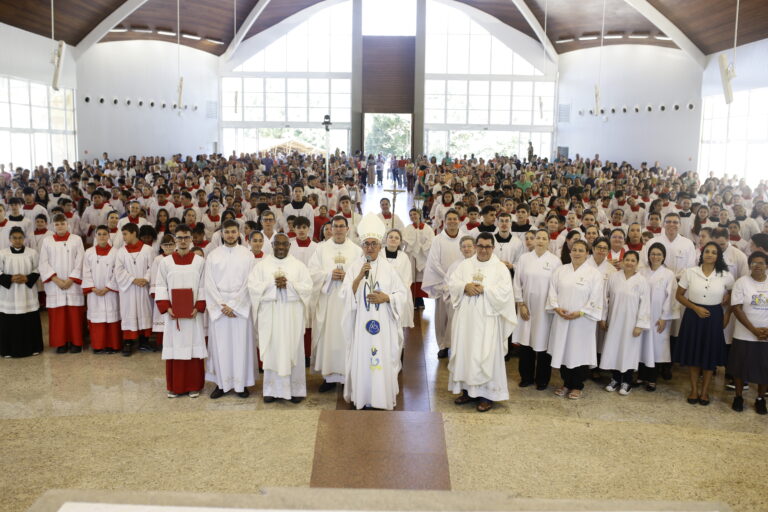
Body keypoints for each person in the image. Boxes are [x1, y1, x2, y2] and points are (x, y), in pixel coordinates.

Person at [341, 213, 407, 410]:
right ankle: (362, 396)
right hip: (361, 323)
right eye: (366, 244)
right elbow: (345, 295)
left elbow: (402, 294)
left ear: (380, 246)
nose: (370, 247)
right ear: (362, 246)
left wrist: (386, 298)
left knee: (382, 358)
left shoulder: (389, 269)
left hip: (383, 322)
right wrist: (359, 276)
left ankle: (381, 398)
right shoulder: (355, 267)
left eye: (374, 244)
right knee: (363, 357)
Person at [448, 232, 517, 412]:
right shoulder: (466, 264)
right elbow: (452, 282)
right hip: (466, 319)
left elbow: (505, 292)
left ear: (493, 248)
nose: (483, 250)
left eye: (487, 246)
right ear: (476, 246)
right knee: (466, 351)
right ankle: (466, 390)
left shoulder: (500, 268)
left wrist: (485, 290)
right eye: (480, 246)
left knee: (485, 355)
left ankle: (487, 394)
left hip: (488, 319)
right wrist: (465, 286)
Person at [248, 233, 313, 403]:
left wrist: (290, 285)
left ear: (289, 246)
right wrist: (273, 285)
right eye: (278, 244)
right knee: (273, 350)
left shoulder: (299, 266)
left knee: (292, 349)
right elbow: (253, 288)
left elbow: (307, 289)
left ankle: (296, 390)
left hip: (292, 317)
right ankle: (271, 390)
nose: (281, 247)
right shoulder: (261, 266)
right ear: (272, 245)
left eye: (285, 244)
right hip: (271, 317)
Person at [674, 242, 734, 406]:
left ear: (718, 256)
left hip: (714, 316)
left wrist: (727, 298)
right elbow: (679, 295)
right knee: (694, 354)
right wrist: (695, 308)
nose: (709, 254)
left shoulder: (725, 274)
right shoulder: (691, 272)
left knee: (709, 354)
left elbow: (733, 290)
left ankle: (705, 391)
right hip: (693, 315)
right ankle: (694, 390)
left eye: (714, 252)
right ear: (702, 254)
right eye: (707, 251)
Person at [308, 215, 363, 392]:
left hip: (348, 301)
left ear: (348, 229)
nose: (338, 229)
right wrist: (329, 275)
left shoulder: (356, 251)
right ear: (330, 229)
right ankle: (329, 377)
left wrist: (347, 275)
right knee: (329, 336)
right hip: (329, 300)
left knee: (347, 335)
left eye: (341, 226)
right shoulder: (321, 249)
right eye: (335, 226)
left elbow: (363, 274)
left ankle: (348, 374)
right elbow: (312, 273)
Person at [546, 239, 605, 399]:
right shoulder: (561, 270)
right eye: (575, 250)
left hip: (582, 321)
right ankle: (566, 383)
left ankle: (578, 385)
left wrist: (581, 312)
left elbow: (596, 297)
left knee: (579, 351)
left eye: (581, 250)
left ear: (587, 254)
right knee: (564, 350)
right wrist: (556, 307)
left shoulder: (594, 274)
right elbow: (552, 291)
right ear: (570, 252)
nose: (577, 253)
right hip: (562, 317)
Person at [154, 224, 208, 398]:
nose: (183, 241)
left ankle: (194, 385)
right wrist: (166, 306)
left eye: (186, 238)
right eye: (180, 238)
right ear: (175, 239)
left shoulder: (200, 262)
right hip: (173, 314)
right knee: (175, 348)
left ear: (191, 239)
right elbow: (161, 285)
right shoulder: (166, 262)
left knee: (193, 349)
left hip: (192, 314)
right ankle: (175, 386)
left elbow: (203, 285)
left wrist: (198, 306)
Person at [205, 220, 256, 399]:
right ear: (222, 234)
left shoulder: (247, 255)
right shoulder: (213, 255)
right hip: (220, 307)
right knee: (220, 347)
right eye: (227, 232)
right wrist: (221, 305)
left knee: (241, 345)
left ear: (239, 233)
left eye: (234, 232)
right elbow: (208, 283)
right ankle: (221, 383)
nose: (230, 235)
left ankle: (241, 385)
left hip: (240, 307)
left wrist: (234, 305)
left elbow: (250, 282)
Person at [514, 229, 562, 390]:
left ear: (549, 241)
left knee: (543, 344)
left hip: (545, 310)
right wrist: (521, 304)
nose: (540, 241)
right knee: (526, 342)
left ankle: (542, 379)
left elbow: (557, 287)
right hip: (526, 308)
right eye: (538, 238)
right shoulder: (524, 259)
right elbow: (517, 283)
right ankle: (526, 377)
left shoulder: (555, 261)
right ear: (533, 241)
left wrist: (552, 306)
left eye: (544, 238)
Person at [599, 251, 651, 395]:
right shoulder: (614, 277)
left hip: (631, 324)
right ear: (622, 261)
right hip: (614, 321)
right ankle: (615, 379)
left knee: (628, 351)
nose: (629, 263)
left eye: (633, 260)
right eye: (627, 259)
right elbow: (605, 298)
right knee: (614, 349)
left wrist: (640, 325)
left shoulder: (641, 281)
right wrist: (603, 318)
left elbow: (645, 304)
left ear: (637, 263)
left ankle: (627, 381)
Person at [728, 251, 768, 414]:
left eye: (761, 263)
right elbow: (736, 308)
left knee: (764, 368)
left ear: (766, 266)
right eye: (754, 263)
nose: (757, 266)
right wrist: (753, 330)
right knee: (740, 368)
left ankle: (760, 398)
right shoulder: (741, 282)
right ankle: (738, 396)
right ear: (749, 265)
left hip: (766, 336)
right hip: (744, 334)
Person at [39, 213, 85, 353]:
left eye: (62, 223)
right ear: (53, 226)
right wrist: (56, 280)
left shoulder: (76, 239)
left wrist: (71, 279)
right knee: (58, 315)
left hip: (73, 283)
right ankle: (61, 343)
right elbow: (43, 262)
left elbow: (81, 260)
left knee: (74, 315)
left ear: (67, 224)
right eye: (57, 224)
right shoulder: (47, 241)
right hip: (55, 284)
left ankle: (76, 342)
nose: (60, 226)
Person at [423, 209, 464, 358]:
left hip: (460, 283)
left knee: (458, 316)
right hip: (442, 282)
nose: (452, 221)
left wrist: (458, 279)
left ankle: (457, 344)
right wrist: (448, 277)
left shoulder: (464, 238)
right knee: (442, 316)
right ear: (444, 221)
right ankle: (443, 345)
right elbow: (434, 262)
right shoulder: (438, 240)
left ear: (459, 221)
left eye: (455, 219)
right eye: (450, 219)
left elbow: (468, 259)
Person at [638, 243, 678, 390]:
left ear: (663, 257)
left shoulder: (668, 274)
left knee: (655, 347)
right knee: (641, 345)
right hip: (642, 315)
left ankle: (652, 378)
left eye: (659, 254)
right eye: (653, 254)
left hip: (658, 317)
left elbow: (671, 298)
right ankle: (641, 376)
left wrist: (664, 318)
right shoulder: (641, 272)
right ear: (648, 255)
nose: (655, 257)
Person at [0, 227, 43, 358]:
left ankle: (33, 348)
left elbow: (38, 268)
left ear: (24, 238)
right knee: (8, 321)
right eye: (14, 238)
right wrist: (11, 278)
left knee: (29, 319)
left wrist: (27, 278)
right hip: (10, 294)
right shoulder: (3, 253)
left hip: (27, 292)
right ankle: (7, 350)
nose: (17, 240)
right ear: (10, 239)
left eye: (20, 238)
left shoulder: (32, 253)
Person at [114, 223, 155, 356]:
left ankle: (144, 341)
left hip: (143, 287)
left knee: (145, 311)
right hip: (129, 289)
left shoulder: (148, 249)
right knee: (128, 312)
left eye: (125, 234)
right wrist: (133, 279)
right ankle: (128, 342)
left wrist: (146, 279)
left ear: (134, 233)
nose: (123, 237)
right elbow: (118, 271)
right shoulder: (121, 251)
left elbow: (153, 267)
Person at [81, 225, 121, 354]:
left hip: (110, 291)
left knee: (112, 318)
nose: (102, 236)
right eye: (99, 234)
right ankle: (98, 346)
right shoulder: (89, 252)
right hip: (94, 292)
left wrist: (108, 287)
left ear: (109, 236)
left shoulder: (116, 252)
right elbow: (85, 271)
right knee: (97, 318)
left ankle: (112, 345)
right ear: (95, 236)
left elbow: (117, 271)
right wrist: (92, 288)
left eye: (105, 234)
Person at [383, 229, 414, 337]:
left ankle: (399, 349)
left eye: (396, 238)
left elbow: (407, 279)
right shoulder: (379, 255)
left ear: (400, 242)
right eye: (390, 237)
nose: (393, 239)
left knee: (398, 327)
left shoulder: (404, 257)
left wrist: (396, 293)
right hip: (382, 293)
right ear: (386, 239)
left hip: (398, 295)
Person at [402, 208, 434, 310]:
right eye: (410, 215)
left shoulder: (427, 228)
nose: (413, 216)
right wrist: (413, 246)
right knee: (412, 277)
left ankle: (420, 299)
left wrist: (422, 248)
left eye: (414, 214)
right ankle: (413, 299)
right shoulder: (408, 228)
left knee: (421, 278)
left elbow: (431, 240)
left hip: (423, 256)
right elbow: (405, 240)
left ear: (419, 215)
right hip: (411, 256)